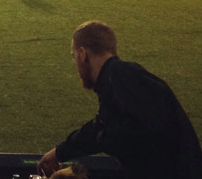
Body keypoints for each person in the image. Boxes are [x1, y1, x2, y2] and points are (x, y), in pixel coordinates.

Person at [37, 21, 202, 179]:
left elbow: (131, 130)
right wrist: (60, 152)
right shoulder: (119, 79)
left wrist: (103, 139)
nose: (75, 64)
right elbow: (101, 127)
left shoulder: (120, 74)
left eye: (73, 56)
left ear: (82, 54)